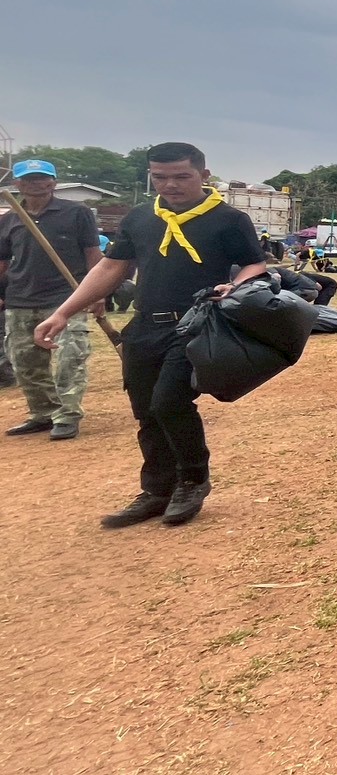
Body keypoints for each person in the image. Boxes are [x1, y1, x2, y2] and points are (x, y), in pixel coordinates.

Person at [35, 142, 266, 527]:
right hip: (144, 327)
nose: (170, 185)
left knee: (169, 401)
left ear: (203, 175)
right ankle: (157, 490)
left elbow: (254, 265)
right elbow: (112, 268)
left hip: (196, 324)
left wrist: (236, 285)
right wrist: (63, 312)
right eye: (160, 177)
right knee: (145, 409)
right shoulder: (141, 217)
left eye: (181, 176)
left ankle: (193, 480)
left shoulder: (228, 219)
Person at [1, 159, 104, 440]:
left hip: (67, 298)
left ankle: (68, 415)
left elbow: (93, 255)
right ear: (18, 184)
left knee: (71, 358)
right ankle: (43, 413)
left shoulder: (77, 213)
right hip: (20, 299)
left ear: (53, 183)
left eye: (42, 178)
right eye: (29, 179)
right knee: (25, 362)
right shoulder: (9, 219)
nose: (36, 184)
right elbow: (2, 263)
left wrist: (98, 293)